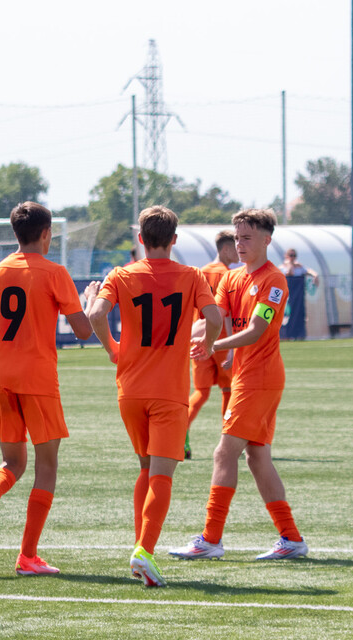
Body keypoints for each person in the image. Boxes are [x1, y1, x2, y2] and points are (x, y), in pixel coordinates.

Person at [86, 205, 221, 587]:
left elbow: (96, 314)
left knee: (146, 468)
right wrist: (207, 347)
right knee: (162, 475)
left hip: (130, 389)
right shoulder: (191, 275)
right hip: (169, 391)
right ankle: (144, 551)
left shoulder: (120, 275)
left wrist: (113, 348)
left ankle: (140, 550)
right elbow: (214, 319)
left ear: (141, 240)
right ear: (174, 241)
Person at [0, 201, 95, 575]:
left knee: (12, 462)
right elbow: (84, 331)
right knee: (46, 466)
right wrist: (91, 302)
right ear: (46, 234)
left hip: (0, 376)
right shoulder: (55, 272)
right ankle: (28, 556)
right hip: (37, 378)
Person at [169, 208, 309, 563]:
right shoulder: (232, 279)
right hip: (245, 375)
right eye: (237, 238)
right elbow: (215, 321)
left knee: (223, 452)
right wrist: (177, 340)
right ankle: (291, 538)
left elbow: (256, 331)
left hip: (260, 379)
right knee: (257, 456)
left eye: (247, 238)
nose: (240, 244)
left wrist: (216, 347)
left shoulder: (274, 281)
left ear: (267, 240)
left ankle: (210, 539)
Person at [185, 228, 238, 459]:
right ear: (226, 249)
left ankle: (180, 434)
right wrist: (233, 348)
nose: (239, 251)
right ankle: (229, 439)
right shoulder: (229, 275)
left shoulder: (199, 273)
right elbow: (228, 313)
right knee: (228, 391)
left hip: (199, 339)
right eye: (235, 246)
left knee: (201, 392)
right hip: (223, 340)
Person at [280, 247, 319, 340]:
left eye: (294, 256)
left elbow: (311, 272)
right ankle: (286, 335)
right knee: (286, 315)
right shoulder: (281, 268)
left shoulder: (300, 267)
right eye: (290, 255)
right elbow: (289, 272)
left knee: (299, 314)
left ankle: (299, 335)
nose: (292, 257)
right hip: (287, 297)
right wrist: (290, 263)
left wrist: (315, 277)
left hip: (298, 297)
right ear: (286, 256)